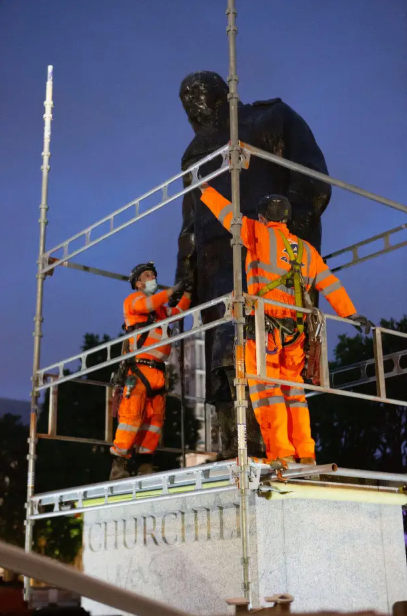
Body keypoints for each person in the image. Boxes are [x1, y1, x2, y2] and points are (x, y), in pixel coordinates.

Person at [173, 70, 332, 459]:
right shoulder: (196, 153)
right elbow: (190, 223)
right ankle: (240, 448)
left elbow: (311, 181)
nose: (194, 114)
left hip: (269, 266)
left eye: (197, 104)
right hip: (217, 272)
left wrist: (284, 238)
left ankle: (281, 447)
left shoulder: (272, 117)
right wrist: (186, 279)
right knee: (226, 363)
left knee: (271, 360)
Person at [199, 183, 372, 466]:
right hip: (295, 334)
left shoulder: (258, 233)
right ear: (287, 218)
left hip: (264, 331)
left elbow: (228, 215)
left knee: (268, 392)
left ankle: (282, 454)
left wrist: (205, 189)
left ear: (264, 217)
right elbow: (330, 284)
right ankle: (305, 453)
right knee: (294, 393)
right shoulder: (306, 251)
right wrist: (351, 314)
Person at [110, 262, 191, 480]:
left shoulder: (160, 309)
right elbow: (148, 304)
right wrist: (173, 290)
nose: (152, 277)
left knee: (154, 421)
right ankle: (120, 463)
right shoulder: (134, 301)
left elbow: (178, 313)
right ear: (138, 282)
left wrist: (189, 293)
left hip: (157, 371)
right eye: (147, 275)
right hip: (139, 369)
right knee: (131, 417)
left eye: (153, 274)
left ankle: (146, 463)